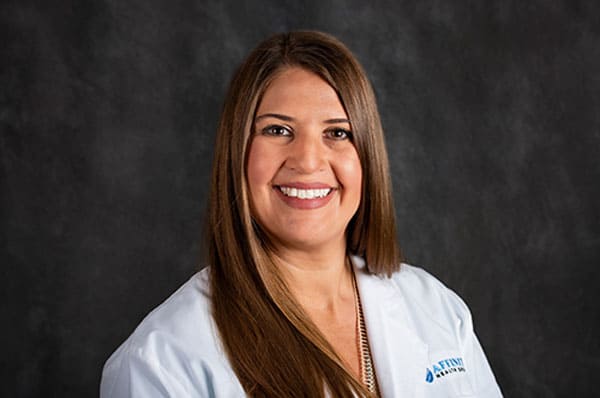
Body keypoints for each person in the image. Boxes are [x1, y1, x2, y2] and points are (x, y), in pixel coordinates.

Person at [100, 31, 503, 397]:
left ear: (368, 159)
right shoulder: (161, 361)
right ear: (236, 152)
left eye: (338, 133)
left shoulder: (437, 307)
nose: (308, 161)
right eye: (277, 130)